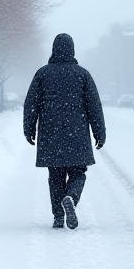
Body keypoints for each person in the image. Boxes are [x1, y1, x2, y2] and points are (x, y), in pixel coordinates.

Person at [23, 33, 106, 229]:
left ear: (54, 50)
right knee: (78, 172)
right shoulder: (82, 74)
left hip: (50, 133)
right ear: (72, 50)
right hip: (76, 134)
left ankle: (58, 216)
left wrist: (29, 129)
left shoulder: (42, 74)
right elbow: (94, 106)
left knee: (55, 175)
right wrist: (99, 133)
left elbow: (31, 104)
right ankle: (71, 197)